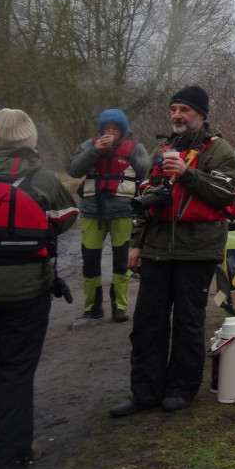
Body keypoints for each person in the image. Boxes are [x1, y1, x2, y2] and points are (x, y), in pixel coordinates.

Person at [110, 86, 235, 417]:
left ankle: (181, 389)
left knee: (187, 322)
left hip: (196, 250)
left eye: (184, 109)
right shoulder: (164, 148)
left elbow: (227, 192)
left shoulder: (219, 149)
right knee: (147, 322)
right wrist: (136, 244)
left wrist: (187, 173)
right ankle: (145, 392)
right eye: (173, 109)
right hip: (156, 249)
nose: (177, 115)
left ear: (201, 114)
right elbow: (147, 197)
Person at [0, 109, 79, 469]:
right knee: (15, 368)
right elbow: (67, 218)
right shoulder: (42, 179)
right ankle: (10, 453)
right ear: (30, 142)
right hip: (26, 291)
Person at [67, 109, 152, 325]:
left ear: (122, 130)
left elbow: (145, 173)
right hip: (92, 212)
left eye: (114, 129)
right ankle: (92, 308)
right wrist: (95, 151)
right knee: (90, 261)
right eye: (106, 129)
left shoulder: (135, 148)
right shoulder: (89, 146)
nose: (110, 132)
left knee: (121, 262)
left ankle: (119, 308)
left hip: (122, 212)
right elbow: (73, 170)